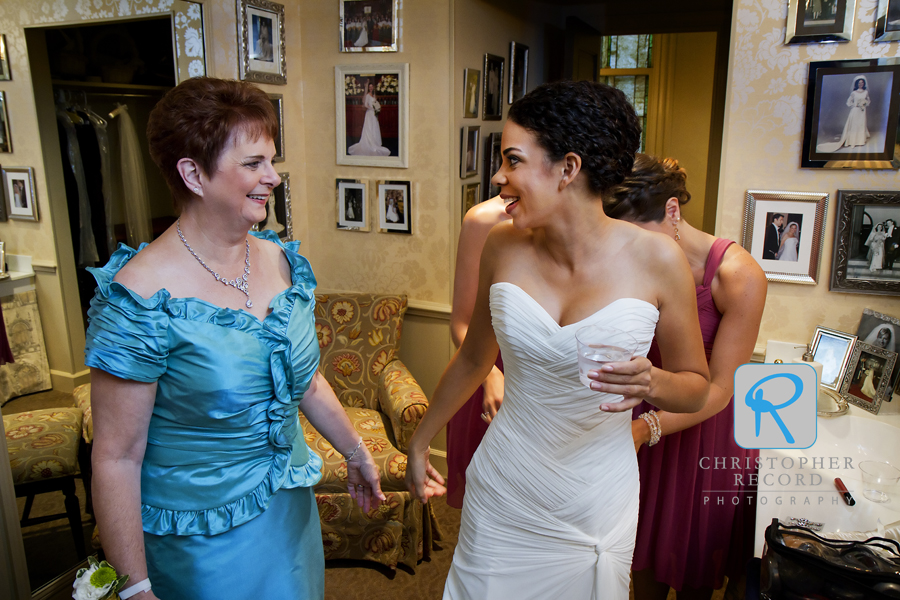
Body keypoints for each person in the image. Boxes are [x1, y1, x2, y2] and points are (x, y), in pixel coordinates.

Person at [406, 81, 711, 599]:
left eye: (513, 161)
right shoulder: (502, 246)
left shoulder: (659, 262)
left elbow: (697, 388)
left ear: (567, 168)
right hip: (505, 486)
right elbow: (474, 358)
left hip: (596, 497)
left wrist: (653, 381)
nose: (499, 178)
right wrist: (419, 442)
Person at [85, 77, 385, 600]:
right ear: (193, 174)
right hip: (201, 537)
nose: (273, 177)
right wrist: (135, 587)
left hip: (287, 514)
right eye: (253, 164)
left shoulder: (280, 260)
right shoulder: (138, 300)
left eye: (271, 160)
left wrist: (354, 450)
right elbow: (116, 457)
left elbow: (305, 380)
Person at [605, 154, 767, 600]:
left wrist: (647, 426)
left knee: (694, 568)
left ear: (672, 211)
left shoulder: (739, 276)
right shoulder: (628, 260)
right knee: (637, 563)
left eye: (639, 233)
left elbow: (720, 388)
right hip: (635, 419)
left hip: (702, 429)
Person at [445, 195, 510, 508]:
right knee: (487, 509)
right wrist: (490, 374)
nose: (499, 176)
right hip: (489, 376)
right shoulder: (482, 220)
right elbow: (461, 323)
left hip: (554, 388)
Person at [819, 77, 870, 152]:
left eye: (862, 83)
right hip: (855, 111)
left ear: (864, 84)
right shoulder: (854, 93)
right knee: (854, 125)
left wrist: (864, 103)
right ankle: (852, 142)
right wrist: (855, 105)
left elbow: (868, 101)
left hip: (862, 111)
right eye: (859, 83)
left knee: (861, 124)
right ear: (857, 84)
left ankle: (860, 141)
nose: (861, 84)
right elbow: (848, 102)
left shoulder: (866, 92)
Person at [348, 81, 391, 157]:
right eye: (370, 86)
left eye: (372, 86)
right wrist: (372, 108)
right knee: (369, 127)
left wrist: (377, 108)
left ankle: (375, 142)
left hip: (374, 114)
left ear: (373, 87)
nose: (371, 88)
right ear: (368, 88)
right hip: (369, 113)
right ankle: (368, 142)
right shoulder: (368, 95)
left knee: (374, 127)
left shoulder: (374, 95)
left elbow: (376, 103)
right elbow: (365, 104)